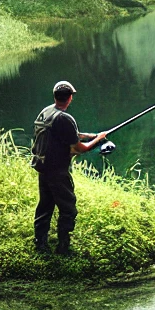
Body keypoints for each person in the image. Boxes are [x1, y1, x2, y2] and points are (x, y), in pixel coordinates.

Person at [31, 80, 106, 255]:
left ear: (55, 96)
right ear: (70, 98)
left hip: (43, 168)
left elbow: (72, 134)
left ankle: (40, 244)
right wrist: (98, 139)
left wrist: (92, 135)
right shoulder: (65, 118)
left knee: (45, 205)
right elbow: (81, 148)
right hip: (57, 171)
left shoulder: (47, 112)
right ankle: (63, 247)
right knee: (68, 208)